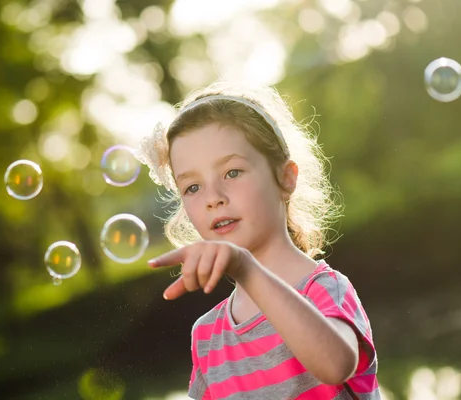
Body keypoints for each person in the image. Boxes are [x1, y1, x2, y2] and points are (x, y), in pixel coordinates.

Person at [135, 82, 380, 399]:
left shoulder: (324, 289)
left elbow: (334, 366)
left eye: (232, 172)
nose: (213, 198)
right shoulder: (207, 337)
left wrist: (248, 270)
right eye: (192, 187)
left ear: (285, 178)